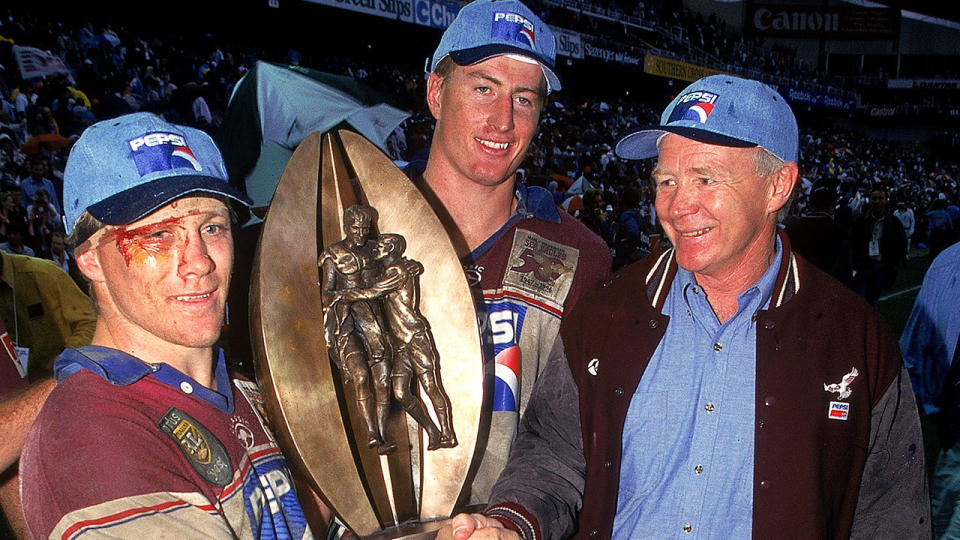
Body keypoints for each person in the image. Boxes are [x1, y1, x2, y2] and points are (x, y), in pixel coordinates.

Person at [442, 75, 928, 539]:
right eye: (667, 180)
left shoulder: (854, 342)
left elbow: (891, 515)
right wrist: (512, 521)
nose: (677, 206)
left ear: (778, 186)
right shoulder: (605, 315)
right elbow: (553, 455)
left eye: (705, 179)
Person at [19, 112, 325, 539]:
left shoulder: (244, 392)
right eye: (158, 236)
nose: (199, 262)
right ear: (90, 259)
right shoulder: (91, 433)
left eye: (212, 227)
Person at [419, 0, 611, 504]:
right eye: (484, 88)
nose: (502, 120)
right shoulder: (357, 227)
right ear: (437, 92)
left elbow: (569, 447)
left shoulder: (580, 257)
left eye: (524, 99)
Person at [331, 232, 457, 450]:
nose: (375, 249)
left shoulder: (397, 270)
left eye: (380, 246)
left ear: (390, 248)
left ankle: (447, 432)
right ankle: (432, 430)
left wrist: (345, 295)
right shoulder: (395, 269)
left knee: (430, 386)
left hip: (415, 338)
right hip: (400, 346)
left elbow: (372, 292)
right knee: (399, 393)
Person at [319, 205, 395, 454]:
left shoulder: (376, 249)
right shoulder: (334, 255)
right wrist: (349, 295)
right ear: (345, 226)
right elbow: (326, 294)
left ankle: (382, 434)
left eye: (365, 228)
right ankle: (371, 431)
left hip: (377, 322)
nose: (361, 233)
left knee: (383, 382)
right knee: (361, 376)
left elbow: (394, 269)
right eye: (355, 228)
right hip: (348, 322)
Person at [900, 240, 960, 538]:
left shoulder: (949, 261)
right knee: (945, 509)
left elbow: (912, 349)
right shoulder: (949, 262)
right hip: (953, 422)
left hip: (951, 418)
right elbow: (913, 347)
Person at [851, 187, 907, 307]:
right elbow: (853, 242)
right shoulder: (861, 221)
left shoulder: (893, 222)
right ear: (869, 200)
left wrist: (895, 264)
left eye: (880, 198)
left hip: (881, 266)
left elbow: (900, 244)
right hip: (863, 265)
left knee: (872, 302)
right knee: (859, 301)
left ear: (886, 200)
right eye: (874, 198)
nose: (877, 201)